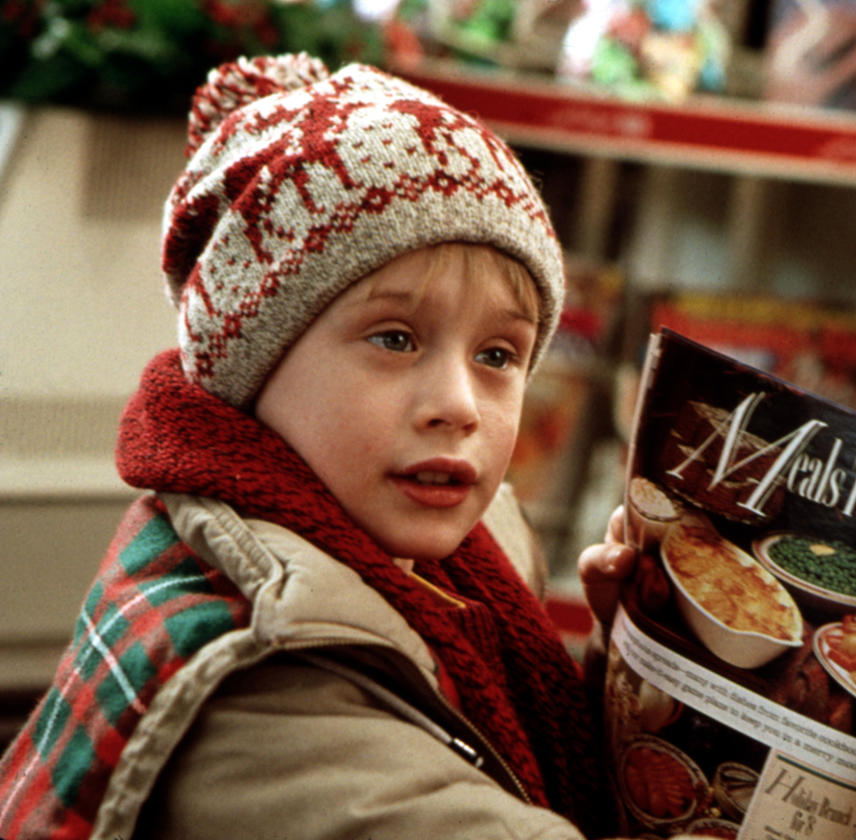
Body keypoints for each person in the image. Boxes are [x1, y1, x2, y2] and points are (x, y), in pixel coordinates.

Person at [0, 52, 617, 840]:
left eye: (498, 356)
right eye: (395, 339)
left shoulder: (465, 562)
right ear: (250, 365)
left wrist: (639, 670)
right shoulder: (257, 680)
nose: (459, 406)